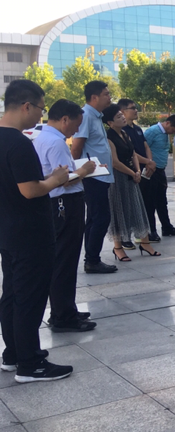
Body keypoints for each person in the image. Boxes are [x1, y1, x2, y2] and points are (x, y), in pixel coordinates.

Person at [0, 79, 74, 382]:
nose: (41, 116)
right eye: (41, 109)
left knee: (12, 293)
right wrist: (56, 179)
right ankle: (30, 364)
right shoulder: (19, 143)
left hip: (7, 229)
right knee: (29, 297)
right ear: (26, 106)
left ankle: (13, 354)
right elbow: (30, 190)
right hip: (30, 232)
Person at [33, 100, 98, 333]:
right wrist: (84, 170)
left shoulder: (43, 138)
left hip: (58, 203)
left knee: (64, 258)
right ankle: (63, 316)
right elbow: (63, 179)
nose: (77, 131)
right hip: (65, 204)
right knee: (65, 260)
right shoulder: (56, 142)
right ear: (64, 120)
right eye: (76, 125)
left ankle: (65, 309)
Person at [71, 80, 117, 274]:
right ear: (94, 97)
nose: (109, 97)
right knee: (101, 218)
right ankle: (92, 259)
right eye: (106, 94)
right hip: (92, 177)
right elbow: (76, 147)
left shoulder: (96, 116)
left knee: (94, 218)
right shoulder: (86, 116)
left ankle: (91, 258)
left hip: (101, 175)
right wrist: (77, 173)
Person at [103, 105, 160, 260]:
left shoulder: (125, 134)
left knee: (138, 208)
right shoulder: (108, 138)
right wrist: (132, 173)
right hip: (118, 179)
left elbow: (133, 153)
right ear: (110, 123)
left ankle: (145, 243)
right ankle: (118, 248)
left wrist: (137, 170)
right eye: (118, 117)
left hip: (132, 176)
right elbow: (115, 162)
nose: (122, 118)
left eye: (122, 115)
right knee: (119, 211)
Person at [118, 98, 157, 245]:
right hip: (131, 172)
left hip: (144, 171)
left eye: (136, 108)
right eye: (132, 108)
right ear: (123, 111)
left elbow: (146, 146)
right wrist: (147, 162)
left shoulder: (138, 129)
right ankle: (125, 237)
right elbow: (131, 152)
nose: (136, 111)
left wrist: (150, 162)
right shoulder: (122, 131)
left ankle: (147, 232)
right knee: (129, 205)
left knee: (147, 203)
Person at [143, 115, 175, 237]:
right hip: (151, 171)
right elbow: (142, 148)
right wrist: (148, 163)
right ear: (167, 123)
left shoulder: (165, 133)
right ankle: (151, 231)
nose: (172, 133)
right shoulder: (152, 131)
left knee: (162, 201)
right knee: (150, 202)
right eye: (173, 130)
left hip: (160, 171)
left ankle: (166, 227)